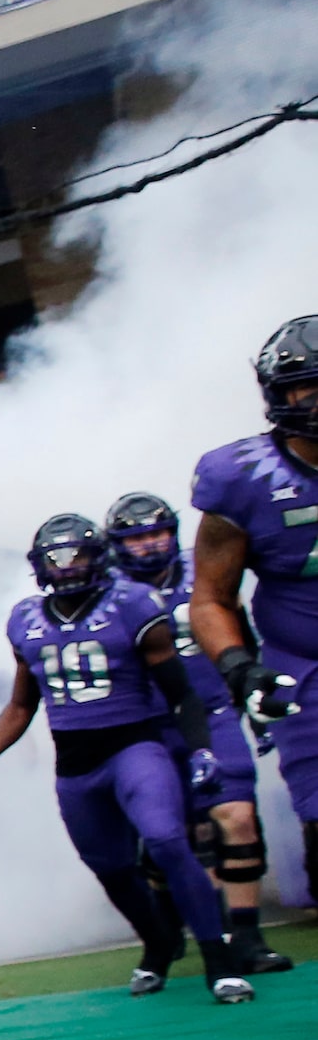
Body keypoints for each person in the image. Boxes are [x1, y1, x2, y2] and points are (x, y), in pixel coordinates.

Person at [0, 515, 252, 1002]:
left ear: (98, 558)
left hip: (134, 747)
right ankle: (158, 943)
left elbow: (180, 693)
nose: (67, 568)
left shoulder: (133, 604)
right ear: (39, 566)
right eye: (56, 559)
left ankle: (219, 962)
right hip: (74, 764)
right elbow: (21, 704)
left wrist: (200, 747)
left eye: (76, 556)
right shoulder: (24, 620)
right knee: (109, 866)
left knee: (165, 839)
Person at [106, 491, 294, 974]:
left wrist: (252, 706)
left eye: (158, 533)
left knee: (237, 817)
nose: (150, 545)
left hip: (212, 712)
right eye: (138, 537)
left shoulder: (204, 571)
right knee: (166, 834)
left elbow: (240, 636)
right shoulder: (107, 593)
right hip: (144, 725)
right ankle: (170, 926)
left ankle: (247, 937)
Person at [190, 317, 318, 921]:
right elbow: (212, 598)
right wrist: (242, 668)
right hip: (305, 670)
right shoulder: (242, 479)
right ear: (279, 394)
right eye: (310, 388)